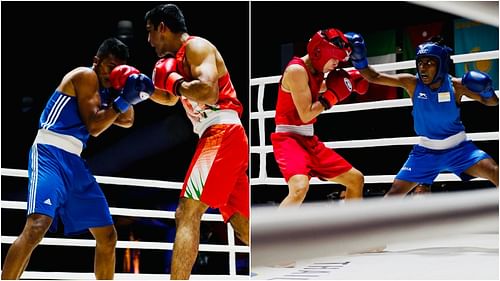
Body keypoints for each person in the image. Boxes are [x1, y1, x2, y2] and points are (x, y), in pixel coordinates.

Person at [1, 37, 154, 280]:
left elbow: (127, 120)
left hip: (74, 160)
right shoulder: (84, 75)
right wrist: (124, 99)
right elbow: (94, 126)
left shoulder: (106, 89)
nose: (111, 72)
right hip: (50, 150)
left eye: (118, 68)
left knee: (108, 236)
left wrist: (123, 87)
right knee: (37, 226)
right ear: (96, 61)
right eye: (109, 66)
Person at [144, 4, 249, 279]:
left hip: (220, 131)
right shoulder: (177, 60)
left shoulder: (197, 47)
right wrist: (142, 88)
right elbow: (169, 97)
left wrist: (175, 83)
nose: (149, 41)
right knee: (243, 225)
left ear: (162, 28)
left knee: (187, 211)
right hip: (222, 135)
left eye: (150, 32)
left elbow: (209, 93)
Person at [344, 33, 499, 195]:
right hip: (426, 152)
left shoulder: (456, 86)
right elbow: (373, 76)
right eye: (420, 63)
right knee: (394, 193)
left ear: (441, 65)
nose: (423, 68)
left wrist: (487, 90)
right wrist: (358, 58)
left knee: (495, 171)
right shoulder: (412, 83)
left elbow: (493, 102)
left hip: (459, 149)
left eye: (429, 63)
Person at [271, 28, 368, 207]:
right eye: (335, 58)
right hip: (289, 139)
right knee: (299, 189)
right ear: (319, 52)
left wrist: (349, 84)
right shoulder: (296, 70)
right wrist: (333, 95)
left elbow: (314, 89)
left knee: (356, 179)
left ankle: (351, 232)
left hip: (310, 140)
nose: (336, 64)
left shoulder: (316, 70)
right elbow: (306, 114)